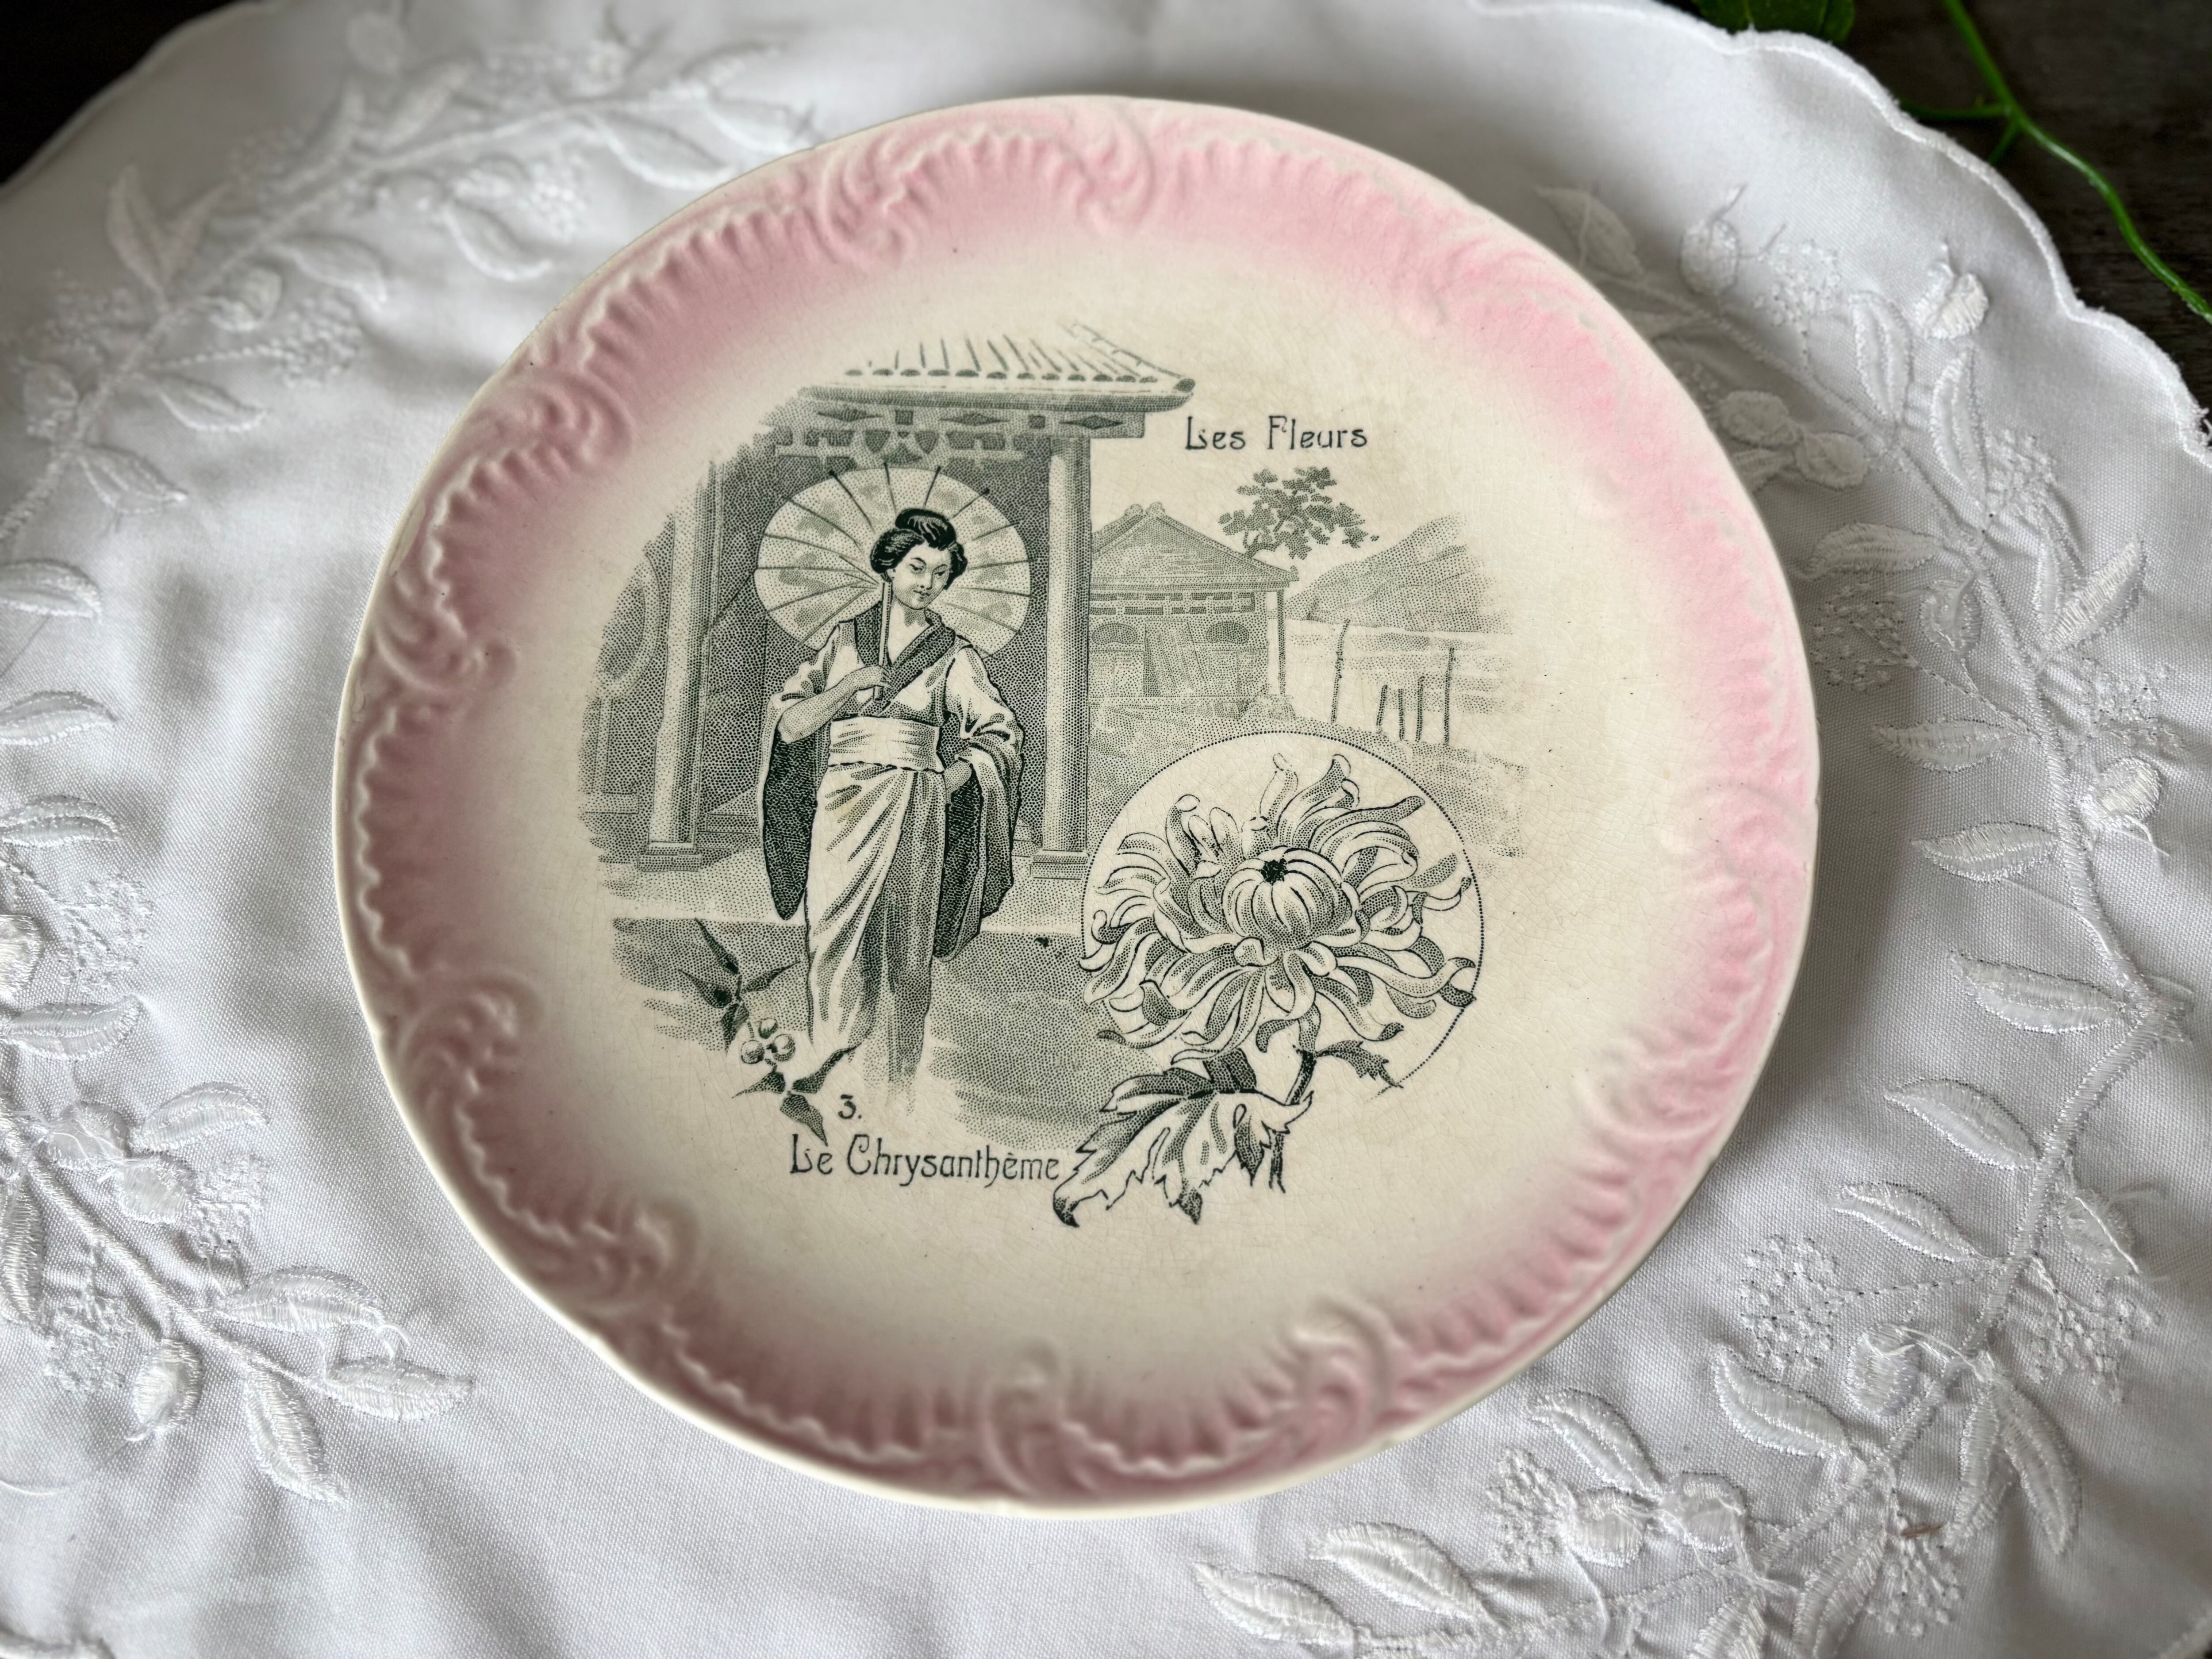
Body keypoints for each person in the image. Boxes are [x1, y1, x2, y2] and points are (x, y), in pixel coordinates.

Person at [760, 506, 1023, 1096]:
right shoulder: (843, 641)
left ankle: (897, 1090)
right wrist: (850, 685)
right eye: (916, 567)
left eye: (940, 572)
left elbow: (1000, 732)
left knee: (907, 951)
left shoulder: (954, 653)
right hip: (841, 806)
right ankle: (832, 1075)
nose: (927, 582)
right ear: (889, 567)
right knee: (832, 942)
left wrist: (952, 777)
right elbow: (793, 725)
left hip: (915, 805)